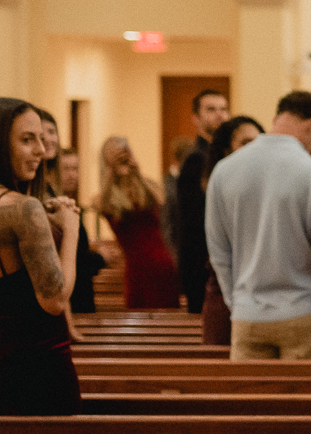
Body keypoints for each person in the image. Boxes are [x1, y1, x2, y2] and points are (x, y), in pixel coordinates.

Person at [0, 96, 79, 415]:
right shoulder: (22, 207)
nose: (41, 149)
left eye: (41, 138)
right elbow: (55, 300)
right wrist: (72, 227)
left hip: (0, 353)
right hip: (38, 360)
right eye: (27, 140)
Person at [205, 92, 311, 361]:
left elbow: (218, 250)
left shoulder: (224, 170)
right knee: (307, 401)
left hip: (248, 314)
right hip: (306, 312)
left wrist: (237, 303)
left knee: (252, 402)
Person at [196, 116, 261, 346]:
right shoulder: (217, 186)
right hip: (225, 296)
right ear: (226, 151)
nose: (253, 150)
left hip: (260, 302)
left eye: (257, 142)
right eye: (245, 143)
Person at [93, 136, 180, 308]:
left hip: (164, 266)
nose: (120, 155)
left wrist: (137, 173)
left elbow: (160, 201)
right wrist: (111, 173)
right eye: (114, 152)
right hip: (137, 271)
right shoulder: (104, 196)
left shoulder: (147, 185)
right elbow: (102, 206)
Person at [174, 86, 230, 311]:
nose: (220, 114)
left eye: (224, 109)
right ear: (196, 118)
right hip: (202, 266)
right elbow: (195, 222)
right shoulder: (196, 160)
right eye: (211, 109)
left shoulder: (221, 155)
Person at [56, 148, 107, 315]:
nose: (72, 174)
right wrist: (101, 258)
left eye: (75, 169)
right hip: (71, 300)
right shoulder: (55, 206)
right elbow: (74, 260)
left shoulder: (71, 203)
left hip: (81, 296)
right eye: (66, 169)